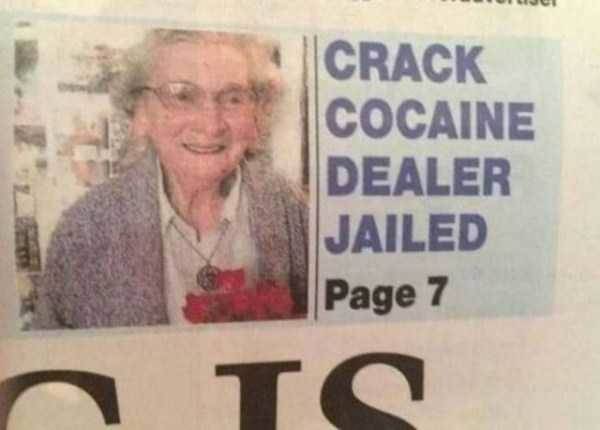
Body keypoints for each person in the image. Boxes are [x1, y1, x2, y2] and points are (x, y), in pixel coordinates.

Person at [33, 29, 308, 329]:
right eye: (182, 96)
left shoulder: (296, 214)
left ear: (257, 117)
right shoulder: (84, 230)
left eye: (233, 98)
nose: (210, 124)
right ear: (141, 113)